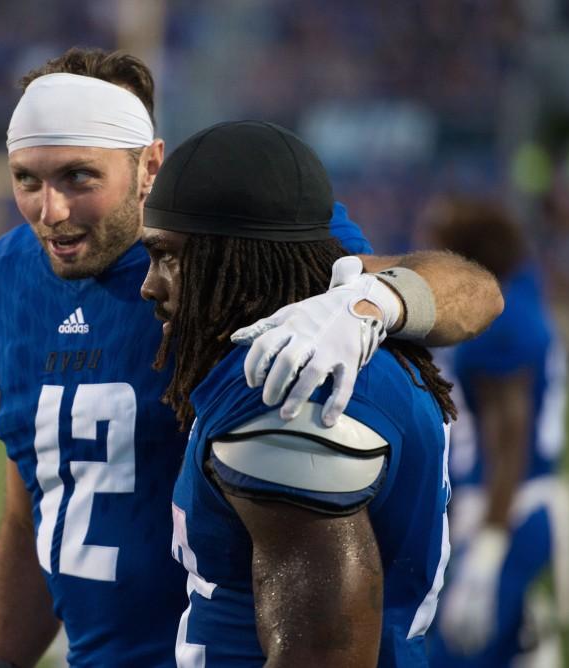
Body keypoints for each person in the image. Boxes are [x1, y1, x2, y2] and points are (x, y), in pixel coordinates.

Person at [0, 47, 502, 667]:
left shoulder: (236, 254)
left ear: (148, 166)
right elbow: (32, 508)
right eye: (27, 179)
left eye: (79, 176)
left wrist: (374, 301)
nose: (49, 210)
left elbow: (473, 291)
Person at [140, 119, 455, 666]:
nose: (151, 285)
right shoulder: (359, 344)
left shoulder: (287, 393)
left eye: (169, 256)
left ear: (239, 261)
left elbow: (322, 652)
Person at [422, 197, 569, 667]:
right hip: (511, 506)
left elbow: (508, 440)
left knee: (453, 656)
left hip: (503, 510)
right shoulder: (519, 295)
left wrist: (487, 552)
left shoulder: (500, 320)